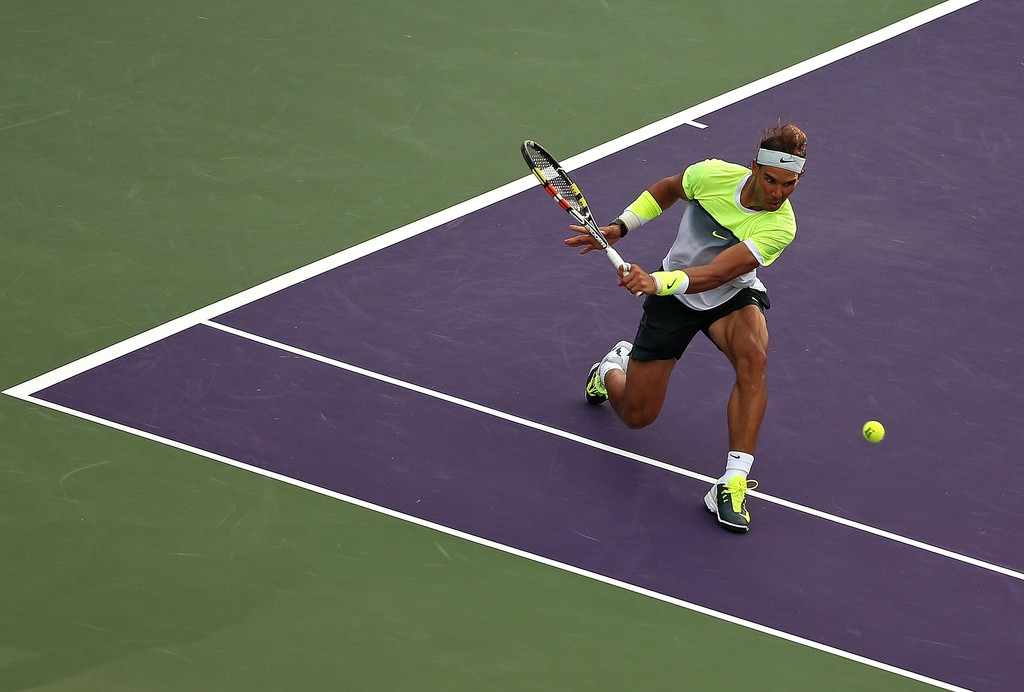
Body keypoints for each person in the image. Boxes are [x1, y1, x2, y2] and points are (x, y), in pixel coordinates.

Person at [565, 123, 807, 534]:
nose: (778, 193)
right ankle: (610, 367)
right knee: (638, 417)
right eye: (770, 180)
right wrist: (621, 227)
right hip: (674, 298)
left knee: (754, 356)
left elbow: (716, 274)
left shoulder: (780, 226)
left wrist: (654, 282)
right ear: (754, 168)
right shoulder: (710, 175)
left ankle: (731, 483)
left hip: (729, 296)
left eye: (789, 184)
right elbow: (668, 189)